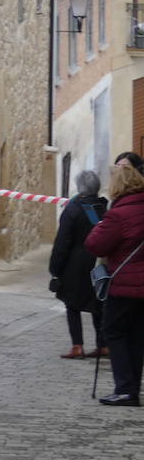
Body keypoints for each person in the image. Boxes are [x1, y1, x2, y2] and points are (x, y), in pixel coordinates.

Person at [85, 160, 144, 406]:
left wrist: (99, 227)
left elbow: (95, 245)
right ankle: (132, 388)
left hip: (124, 284)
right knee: (137, 336)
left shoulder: (118, 214)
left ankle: (125, 389)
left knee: (114, 332)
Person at [48, 170, 107, 359]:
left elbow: (62, 242)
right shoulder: (103, 208)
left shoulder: (73, 209)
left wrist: (55, 269)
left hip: (75, 265)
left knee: (72, 305)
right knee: (98, 303)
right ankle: (103, 345)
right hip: (98, 262)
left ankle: (77, 346)